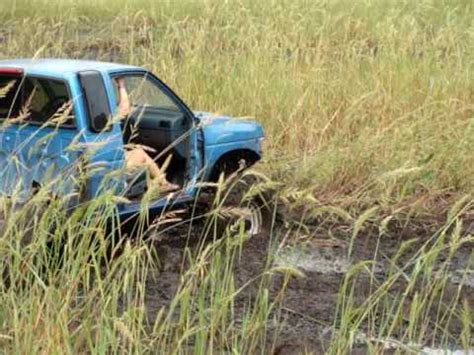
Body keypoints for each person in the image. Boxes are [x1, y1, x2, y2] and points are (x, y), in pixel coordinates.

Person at [115, 77, 179, 192]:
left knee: (136, 149)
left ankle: (154, 183)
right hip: (106, 163)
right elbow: (124, 110)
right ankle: (162, 184)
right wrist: (121, 85)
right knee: (140, 153)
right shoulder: (98, 115)